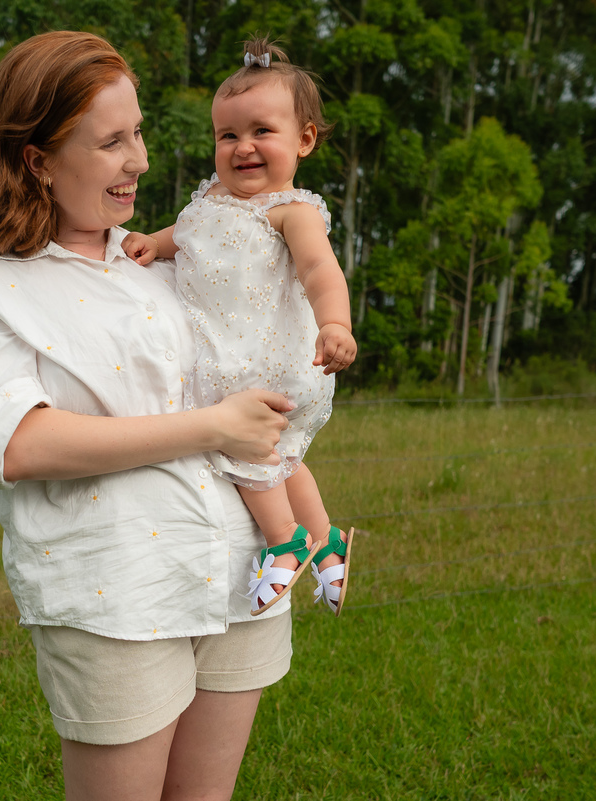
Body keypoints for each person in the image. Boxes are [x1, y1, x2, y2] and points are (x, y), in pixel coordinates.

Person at [0, 31, 299, 801]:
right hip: (116, 599)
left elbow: (244, 365)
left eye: (138, 133)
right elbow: (24, 443)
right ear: (37, 160)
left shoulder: (158, 259)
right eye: (111, 143)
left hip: (238, 574)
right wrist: (210, 429)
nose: (140, 161)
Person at [123, 37, 358, 617]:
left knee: (251, 457)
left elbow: (320, 271)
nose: (243, 147)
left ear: (304, 139)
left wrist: (336, 324)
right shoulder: (208, 201)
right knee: (284, 458)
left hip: (272, 362)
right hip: (230, 356)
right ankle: (328, 541)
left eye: (262, 132)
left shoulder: (291, 211)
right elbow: (187, 237)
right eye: (228, 135)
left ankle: (285, 542)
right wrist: (153, 244)